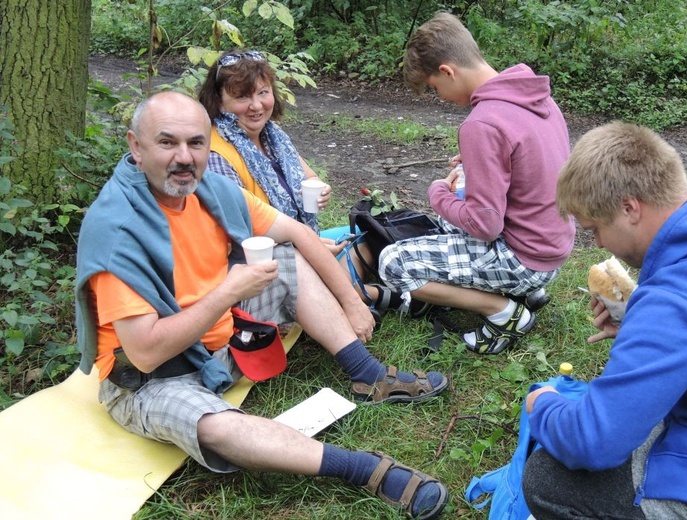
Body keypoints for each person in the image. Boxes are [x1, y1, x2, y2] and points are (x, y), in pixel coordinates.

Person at [73, 91, 450, 519]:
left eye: (196, 143)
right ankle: (361, 468)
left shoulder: (212, 191)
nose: (184, 157)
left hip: (224, 335)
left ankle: (369, 375)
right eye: (167, 142)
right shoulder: (118, 230)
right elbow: (145, 353)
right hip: (154, 378)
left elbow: (296, 234)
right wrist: (230, 292)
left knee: (285, 258)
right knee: (213, 425)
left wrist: (352, 300)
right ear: (136, 147)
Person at [521, 122, 687, 519]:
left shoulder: (677, 300)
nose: (599, 245)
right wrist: (639, 329)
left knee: (547, 481)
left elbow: (595, 441)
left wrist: (543, 406)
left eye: (595, 229)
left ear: (629, 207)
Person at [377, 12, 576, 355]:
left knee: (392, 263)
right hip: (552, 247)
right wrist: (477, 164)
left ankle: (502, 312)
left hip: (524, 258)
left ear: (447, 71)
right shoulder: (534, 96)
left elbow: (484, 225)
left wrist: (438, 191)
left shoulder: (482, 124)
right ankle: (524, 293)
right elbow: (531, 164)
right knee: (442, 224)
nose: (440, 97)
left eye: (434, 88)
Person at [197, 49, 427, 318]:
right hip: (268, 257)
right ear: (219, 101)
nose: (257, 105)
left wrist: (320, 189)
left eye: (262, 92)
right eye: (242, 96)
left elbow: (310, 177)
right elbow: (243, 237)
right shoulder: (217, 154)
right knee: (343, 253)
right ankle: (365, 295)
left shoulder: (273, 137)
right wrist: (308, 245)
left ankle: (350, 291)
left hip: (301, 239)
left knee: (369, 233)